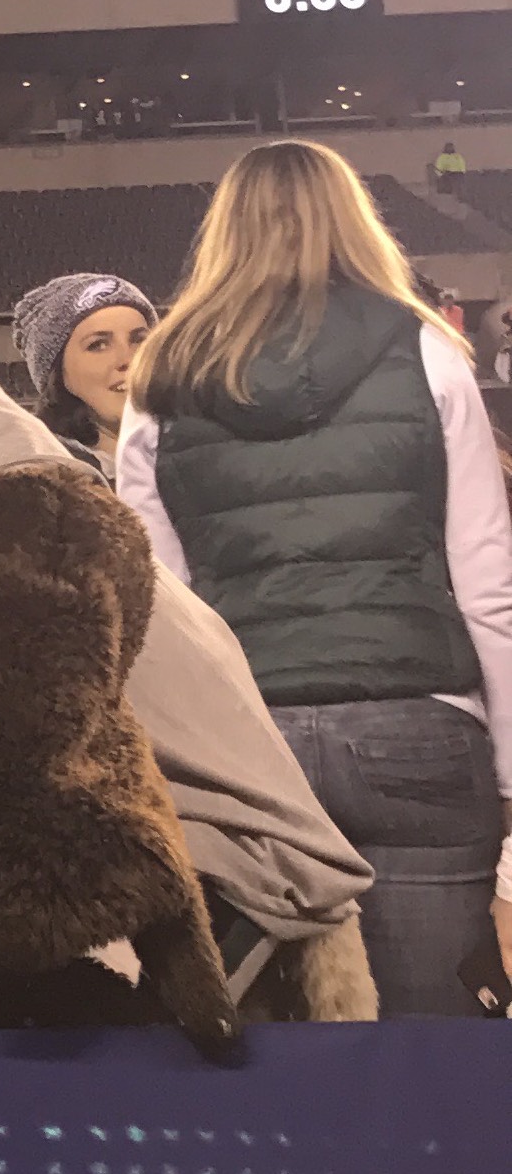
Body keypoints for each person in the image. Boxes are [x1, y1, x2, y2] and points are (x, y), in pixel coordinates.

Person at [119, 140, 512, 1017]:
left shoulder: (159, 378)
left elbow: (156, 610)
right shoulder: (426, 350)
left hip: (246, 741)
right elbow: (488, 586)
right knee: (430, 1046)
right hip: (417, 728)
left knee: (258, 1054)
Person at [13, 271, 155, 481]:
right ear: (57, 375)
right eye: (98, 345)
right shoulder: (42, 486)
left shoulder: (200, 454)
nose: (128, 359)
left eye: (140, 340)